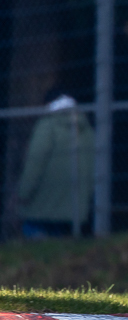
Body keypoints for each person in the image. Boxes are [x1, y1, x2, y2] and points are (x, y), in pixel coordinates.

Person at [18, 91, 94, 238]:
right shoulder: (86, 129)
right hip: (75, 208)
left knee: (33, 238)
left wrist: (23, 193)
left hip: (42, 208)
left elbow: (35, 162)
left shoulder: (47, 126)